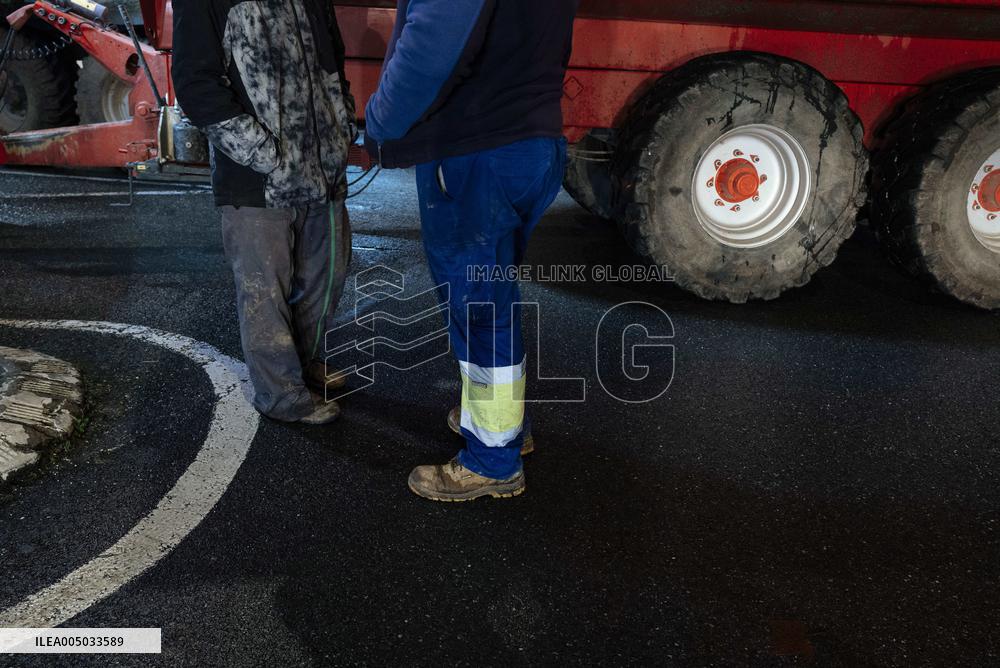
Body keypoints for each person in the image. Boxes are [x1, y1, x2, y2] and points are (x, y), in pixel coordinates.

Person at [365, 0, 579, 501]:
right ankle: (500, 422)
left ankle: (492, 458)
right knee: (492, 302)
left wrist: (379, 121)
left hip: (476, 149)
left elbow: (433, 46)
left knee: (479, 308)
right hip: (530, 142)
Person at [173, 0, 356, 424]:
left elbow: (332, 60)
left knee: (326, 279)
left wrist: (341, 126)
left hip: (324, 170)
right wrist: (263, 155)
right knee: (265, 291)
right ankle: (280, 393)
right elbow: (196, 83)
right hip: (257, 181)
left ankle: (301, 364)